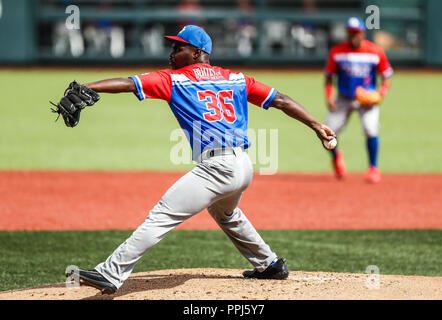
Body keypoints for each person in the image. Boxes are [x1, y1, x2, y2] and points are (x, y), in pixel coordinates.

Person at [65, 25, 336, 294]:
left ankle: (110, 273)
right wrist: (316, 124)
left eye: (178, 47)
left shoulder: (174, 79)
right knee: (225, 213)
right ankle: (269, 264)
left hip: (217, 168)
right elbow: (282, 100)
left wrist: (85, 87)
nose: (171, 52)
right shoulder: (236, 79)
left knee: (162, 215)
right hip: (242, 166)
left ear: (197, 53)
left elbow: (128, 83)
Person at [324, 17, 393, 183]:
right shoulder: (337, 52)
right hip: (343, 97)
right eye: (350, 32)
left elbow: (387, 75)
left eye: (356, 32)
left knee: (371, 130)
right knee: (326, 134)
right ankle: (336, 157)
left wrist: (381, 94)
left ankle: (373, 168)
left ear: (362, 33)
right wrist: (329, 97)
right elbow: (328, 77)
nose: (353, 35)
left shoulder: (375, 52)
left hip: (366, 100)